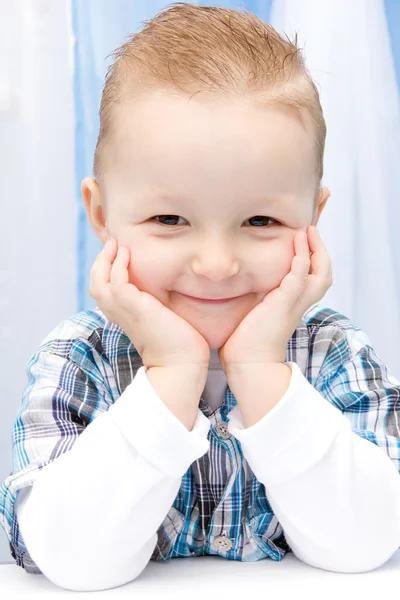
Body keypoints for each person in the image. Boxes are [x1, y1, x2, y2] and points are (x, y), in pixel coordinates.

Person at [1, 1, 400, 592]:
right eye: (170, 218)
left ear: (313, 219)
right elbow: (71, 561)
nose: (217, 265)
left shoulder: (335, 353)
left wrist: (262, 370)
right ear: (103, 215)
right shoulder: (79, 358)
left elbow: (366, 544)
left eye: (261, 220)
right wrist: (172, 373)